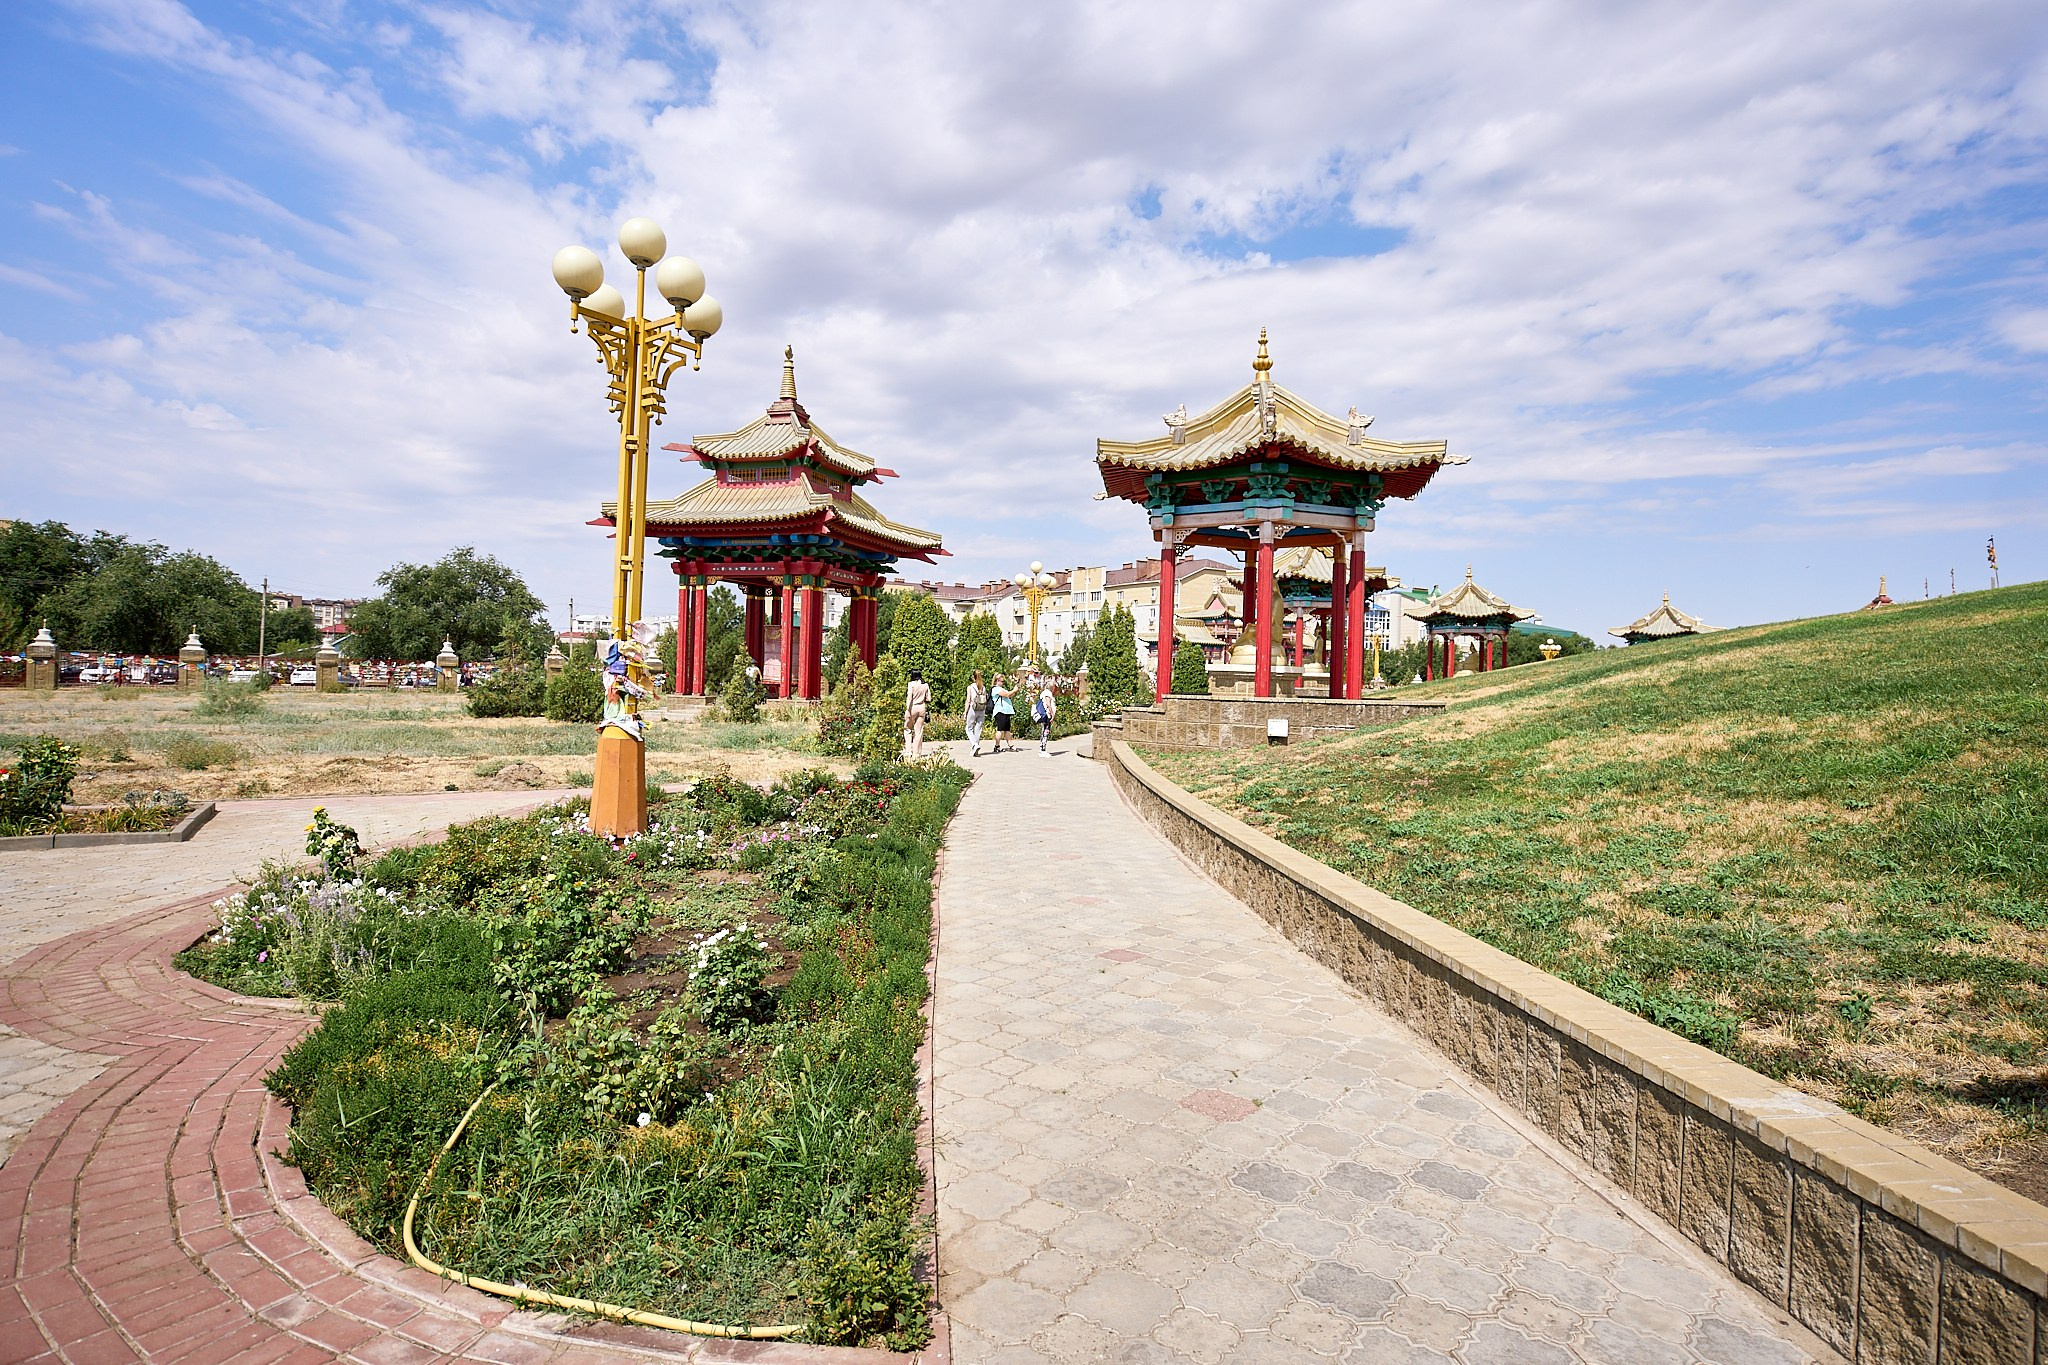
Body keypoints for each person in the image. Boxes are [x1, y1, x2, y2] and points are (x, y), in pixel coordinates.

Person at [903, 668, 931, 760]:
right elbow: (929, 699)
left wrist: (907, 709)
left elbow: (909, 697)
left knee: (907, 729)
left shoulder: (911, 684)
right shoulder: (925, 685)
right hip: (922, 707)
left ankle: (908, 751)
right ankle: (917, 753)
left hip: (912, 707)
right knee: (918, 731)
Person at [964, 668, 987, 757]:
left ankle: (975, 744)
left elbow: (968, 700)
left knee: (968, 728)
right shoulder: (983, 687)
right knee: (978, 729)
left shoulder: (970, 687)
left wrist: (965, 712)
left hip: (973, 709)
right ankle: (975, 750)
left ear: (973, 677)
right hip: (982, 709)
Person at [990, 674, 1015, 752]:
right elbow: (1007, 695)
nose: (1003, 683)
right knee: (1000, 729)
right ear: (997, 681)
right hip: (1000, 711)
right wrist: (1014, 690)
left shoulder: (1002, 689)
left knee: (1007, 729)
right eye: (1002, 681)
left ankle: (1010, 744)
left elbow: (1010, 695)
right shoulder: (995, 689)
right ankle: (997, 746)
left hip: (1006, 711)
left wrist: (1015, 690)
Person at [1035, 678, 1058, 755]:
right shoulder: (1048, 693)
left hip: (1046, 714)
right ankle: (1042, 749)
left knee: (1044, 730)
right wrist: (1052, 714)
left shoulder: (1044, 692)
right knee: (1046, 731)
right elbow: (1048, 704)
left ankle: (1042, 748)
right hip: (1047, 715)